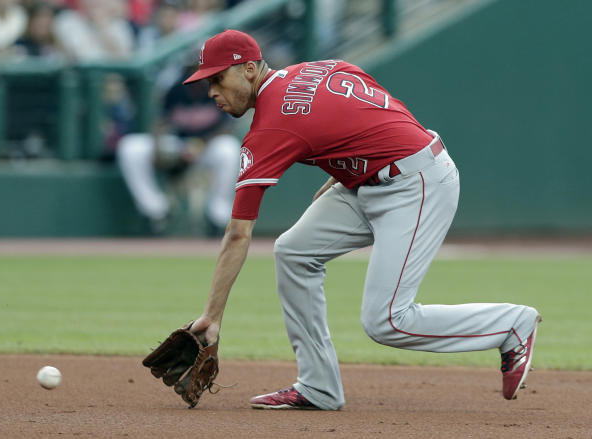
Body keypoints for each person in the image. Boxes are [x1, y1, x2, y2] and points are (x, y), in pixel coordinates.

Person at [177, 29, 541, 410]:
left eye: (217, 79)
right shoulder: (317, 69)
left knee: (387, 320)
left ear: (249, 69)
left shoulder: (270, 126)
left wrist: (212, 316)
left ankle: (511, 325)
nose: (212, 92)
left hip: (417, 184)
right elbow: (376, 110)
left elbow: (238, 233)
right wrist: (344, 169)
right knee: (293, 252)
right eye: (206, 83)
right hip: (372, 178)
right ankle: (318, 385)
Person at [117, 65, 240, 235]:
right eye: (194, 68)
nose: (199, 74)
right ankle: (155, 211)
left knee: (229, 148)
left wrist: (201, 144)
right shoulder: (174, 88)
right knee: (131, 147)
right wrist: (158, 145)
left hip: (207, 147)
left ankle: (217, 216)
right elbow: (160, 122)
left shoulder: (223, 89)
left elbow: (228, 127)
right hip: (175, 144)